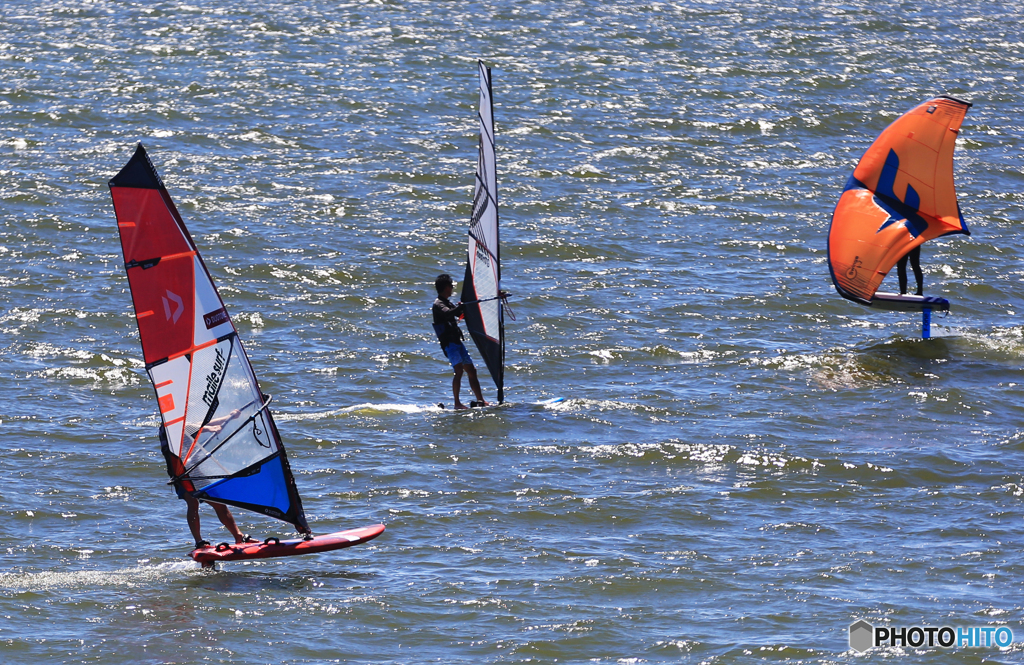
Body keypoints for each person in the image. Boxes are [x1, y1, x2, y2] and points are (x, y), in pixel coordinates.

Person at [159, 414, 256, 549]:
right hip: (185, 472)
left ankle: (211, 540)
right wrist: (209, 429)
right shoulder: (170, 428)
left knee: (198, 505)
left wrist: (228, 417)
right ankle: (229, 538)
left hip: (186, 471)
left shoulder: (177, 425)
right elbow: (189, 428)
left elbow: (197, 424)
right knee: (214, 504)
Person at [432, 273, 488, 410]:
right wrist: (461, 307)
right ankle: (457, 403)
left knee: (471, 370)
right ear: (446, 287)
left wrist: (473, 303)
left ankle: (481, 400)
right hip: (449, 345)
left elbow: (458, 313)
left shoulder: (448, 303)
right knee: (459, 370)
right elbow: (448, 314)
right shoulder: (438, 304)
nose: (452, 288)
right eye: (451, 286)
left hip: (457, 342)